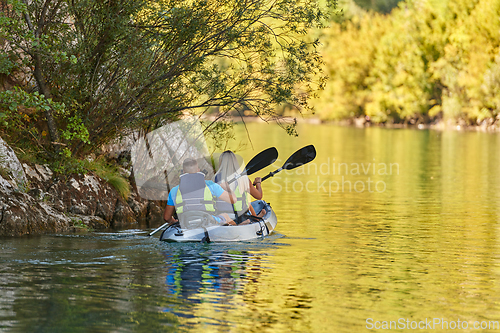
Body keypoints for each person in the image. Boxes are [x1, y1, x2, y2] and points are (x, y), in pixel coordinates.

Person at [163, 158, 237, 226]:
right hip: (207, 220)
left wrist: (172, 221)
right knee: (225, 216)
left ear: (184, 172)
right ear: (198, 170)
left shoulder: (174, 190)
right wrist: (228, 188)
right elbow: (233, 200)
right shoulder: (210, 185)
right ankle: (237, 233)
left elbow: (166, 218)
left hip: (185, 222)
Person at [214, 151, 265, 223]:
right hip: (240, 216)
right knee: (247, 202)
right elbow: (259, 196)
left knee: (248, 203)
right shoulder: (243, 179)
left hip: (221, 214)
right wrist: (258, 183)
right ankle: (255, 219)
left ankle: (255, 218)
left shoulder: (216, 178)